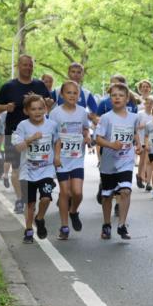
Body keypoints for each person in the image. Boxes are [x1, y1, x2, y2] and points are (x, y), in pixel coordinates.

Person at [0, 55, 51, 214]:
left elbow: (49, 103)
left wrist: (48, 102)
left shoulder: (39, 85)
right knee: (16, 168)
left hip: (37, 133)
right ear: (18, 66)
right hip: (14, 132)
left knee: (36, 165)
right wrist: (6, 107)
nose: (28, 68)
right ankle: (20, 199)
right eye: (25, 65)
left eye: (30, 65)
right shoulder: (9, 86)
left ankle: (32, 196)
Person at [11, 94, 60, 243]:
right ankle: (28, 230)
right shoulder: (22, 126)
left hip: (46, 170)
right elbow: (18, 147)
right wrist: (31, 139)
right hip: (27, 171)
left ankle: (39, 218)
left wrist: (57, 157)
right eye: (33, 109)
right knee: (30, 204)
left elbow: (57, 141)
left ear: (45, 109)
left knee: (46, 198)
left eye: (40, 108)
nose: (37, 112)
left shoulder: (52, 125)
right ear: (26, 111)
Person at [94, 83, 140, 241]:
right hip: (108, 163)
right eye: (114, 95)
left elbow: (134, 133)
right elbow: (98, 139)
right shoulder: (106, 118)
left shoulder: (134, 117)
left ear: (127, 99)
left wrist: (139, 145)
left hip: (126, 160)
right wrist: (111, 145)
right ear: (110, 99)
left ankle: (122, 225)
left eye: (121, 95)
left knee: (125, 191)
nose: (117, 98)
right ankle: (106, 224)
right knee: (107, 196)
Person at [49, 81, 92, 240]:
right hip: (61, 158)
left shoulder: (82, 112)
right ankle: (64, 226)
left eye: (75, 93)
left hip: (77, 158)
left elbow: (86, 129)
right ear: (62, 94)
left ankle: (73, 211)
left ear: (79, 95)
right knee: (65, 192)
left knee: (77, 192)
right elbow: (51, 134)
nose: (72, 95)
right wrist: (55, 156)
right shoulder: (55, 113)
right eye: (68, 92)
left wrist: (87, 137)